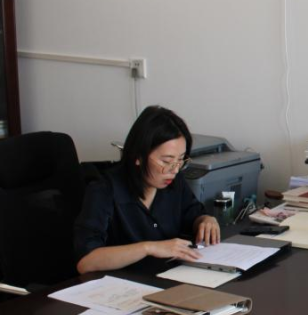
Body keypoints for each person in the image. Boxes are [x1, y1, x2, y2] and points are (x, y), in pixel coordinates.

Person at [74, 105, 220, 273]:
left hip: (169, 277)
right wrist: (148, 248)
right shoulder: (103, 190)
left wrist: (206, 220)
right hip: (122, 284)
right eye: (166, 161)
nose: (174, 169)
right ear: (139, 156)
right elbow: (86, 262)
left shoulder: (174, 181)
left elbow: (193, 214)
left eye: (180, 160)